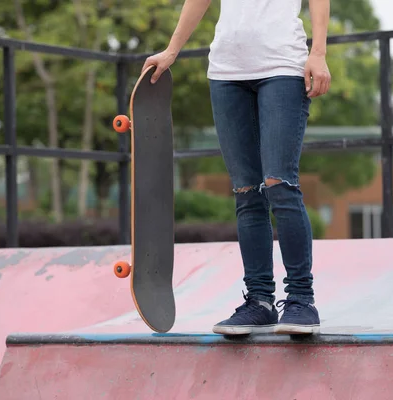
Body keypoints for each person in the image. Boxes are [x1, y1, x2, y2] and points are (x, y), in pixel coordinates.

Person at [142, 0, 331, 335]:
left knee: (279, 184)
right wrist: (172, 50)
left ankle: (301, 299)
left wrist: (318, 52)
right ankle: (259, 301)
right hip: (226, 73)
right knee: (246, 191)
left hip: (282, 66)